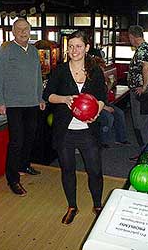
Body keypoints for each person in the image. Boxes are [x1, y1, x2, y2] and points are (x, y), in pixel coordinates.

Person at [42, 30, 106, 225]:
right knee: (67, 170)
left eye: (78, 46)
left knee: (94, 170)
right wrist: (65, 99)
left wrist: (96, 113)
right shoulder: (60, 71)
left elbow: (102, 97)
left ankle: (97, 204)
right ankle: (72, 206)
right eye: (70, 46)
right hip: (65, 131)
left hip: (88, 131)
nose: (73, 50)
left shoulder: (95, 71)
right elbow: (48, 95)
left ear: (86, 48)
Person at [0, 18, 45, 196]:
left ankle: (24, 165)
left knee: (30, 137)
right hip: (13, 104)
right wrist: (0, 101)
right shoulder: (5, 50)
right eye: (20, 29)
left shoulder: (33, 51)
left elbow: (38, 76)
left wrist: (40, 97)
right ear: (13, 32)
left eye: (26, 29)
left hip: (32, 102)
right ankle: (13, 179)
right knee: (16, 141)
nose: (23, 32)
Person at [127, 25, 148, 155]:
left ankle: (147, 153)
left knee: (141, 124)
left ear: (132, 36)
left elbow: (147, 68)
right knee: (143, 123)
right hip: (145, 92)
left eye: (129, 38)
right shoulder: (146, 48)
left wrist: (144, 87)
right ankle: (146, 151)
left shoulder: (142, 50)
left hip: (141, 94)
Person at [93, 57, 130, 147]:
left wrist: (110, 83)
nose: (103, 70)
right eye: (101, 68)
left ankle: (121, 139)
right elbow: (92, 98)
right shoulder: (92, 80)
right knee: (108, 118)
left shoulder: (101, 79)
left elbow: (104, 92)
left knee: (120, 113)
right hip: (95, 106)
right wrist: (105, 108)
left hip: (104, 103)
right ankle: (103, 141)